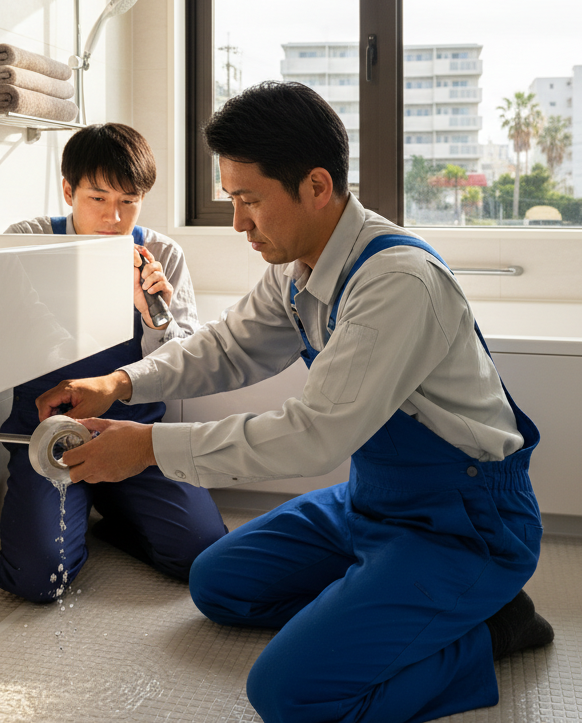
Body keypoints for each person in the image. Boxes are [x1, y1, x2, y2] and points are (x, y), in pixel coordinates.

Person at [36, 83, 554, 721]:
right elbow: (227, 349)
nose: (238, 223)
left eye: (250, 200)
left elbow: (315, 435)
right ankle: (387, 603)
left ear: (316, 186)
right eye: (232, 200)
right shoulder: (300, 268)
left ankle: (491, 628)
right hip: (373, 503)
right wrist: (120, 383)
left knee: (289, 694)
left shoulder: (395, 282)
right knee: (217, 583)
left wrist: (146, 447)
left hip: (463, 522)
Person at [0, 123, 226, 603]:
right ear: (67, 190)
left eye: (129, 201)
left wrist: (153, 317)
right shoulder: (26, 242)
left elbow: (182, 366)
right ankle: (70, 515)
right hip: (49, 436)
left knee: (204, 556)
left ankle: (112, 511)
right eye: (98, 199)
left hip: (136, 437)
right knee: (40, 579)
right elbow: (21, 334)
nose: (113, 217)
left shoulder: (161, 254)